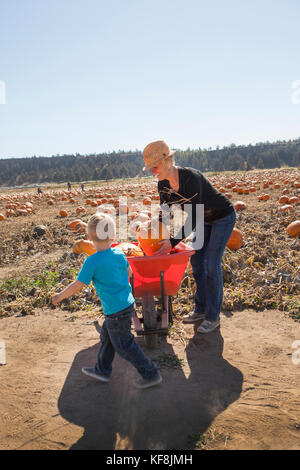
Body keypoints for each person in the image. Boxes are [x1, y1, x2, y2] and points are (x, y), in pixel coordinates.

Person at [51, 212, 162, 389]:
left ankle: (151, 373)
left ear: (88, 237)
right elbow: (129, 274)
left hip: (116, 311)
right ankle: (102, 370)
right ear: (112, 236)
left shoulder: (92, 261)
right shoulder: (119, 254)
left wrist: (59, 296)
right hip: (127, 304)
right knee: (107, 337)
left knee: (124, 345)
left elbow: (78, 285)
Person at [142, 140, 236, 334]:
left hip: (221, 217)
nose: (152, 171)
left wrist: (173, 242)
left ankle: (213, 316)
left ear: (167, 160)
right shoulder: (162, 184)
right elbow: (165, 214)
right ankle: (200, 309)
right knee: (197, 262)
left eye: (155, 166)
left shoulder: (191, 178)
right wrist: (153, 233)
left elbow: (192, 216)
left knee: (211, 263)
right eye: (150, 168)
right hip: (203, 220)